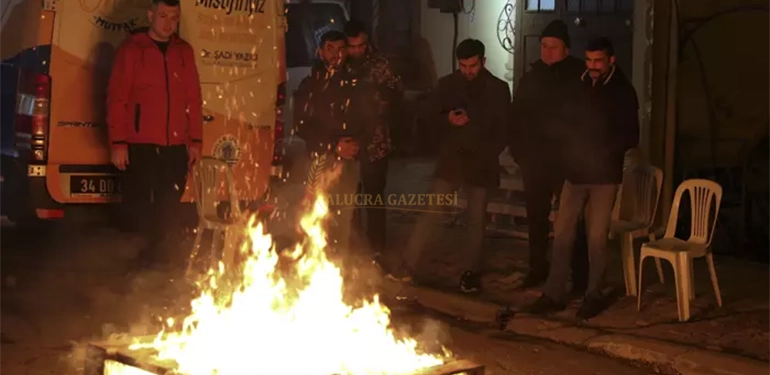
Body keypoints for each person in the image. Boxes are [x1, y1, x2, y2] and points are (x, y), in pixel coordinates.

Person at [530, 37, 640, 320]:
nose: (592, 66)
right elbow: (566, 121)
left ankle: (594, 293)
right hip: (575, 173)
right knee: (563, 233)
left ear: (611, 60)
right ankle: (554, 293)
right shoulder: (578, 84)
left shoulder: (623, 91)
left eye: (598, 61)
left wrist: (602, 149)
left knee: (596, 238)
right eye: (589, 60)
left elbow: (631, 135)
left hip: (604, 175)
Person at [404, 39, 509, 293]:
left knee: (475, 220)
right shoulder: (448, 85)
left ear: (483, 61)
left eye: (472, 65)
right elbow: (428, 115)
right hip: (452, 159)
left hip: (481, 162)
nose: (468, 71)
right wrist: (447, 119)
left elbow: (505, 127)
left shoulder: (497, 89)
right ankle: (409, 264)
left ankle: (470, 272)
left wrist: (487, 146)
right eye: (463, 65)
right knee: (431, 211)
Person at [107, 0, 202, 267]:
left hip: (174, 148)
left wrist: (195, 140)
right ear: (150, 15)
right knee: (140, 207)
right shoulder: (132, 50)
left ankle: (162, 268)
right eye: (162, 16)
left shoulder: (184, 52)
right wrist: (119, 142)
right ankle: (134, 266)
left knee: (169, 208)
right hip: (141, 145)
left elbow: (193, 99)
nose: (168, 23)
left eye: (174, 18)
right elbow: (117, 99)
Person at [508, 20, 589, 292]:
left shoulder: (580, 75)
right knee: (537, 218)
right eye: (544, 46)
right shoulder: (533, 76)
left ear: (566, 49)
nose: (548, 51)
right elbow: (516, 115)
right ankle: (537, 268)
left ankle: (579, 276)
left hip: (568, 163)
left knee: (572, 222)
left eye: (554, 47)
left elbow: (588, 117)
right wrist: (520, 153)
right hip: (536, 161)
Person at [293, 30, 381, 254]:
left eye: (341, 49)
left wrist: (357, 143)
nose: (336, 55)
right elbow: (301, 124)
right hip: (318, 159)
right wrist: (333, 145)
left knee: (343, 216)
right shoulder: (310, 84)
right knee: (312, 214)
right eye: (330, 49)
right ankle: (308, 263)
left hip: (347, 161)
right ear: (320, 51)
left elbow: (370, 119)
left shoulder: (358, 83)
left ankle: (337, 267)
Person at [343, 20, 403, 259]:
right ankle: (354, 249)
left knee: (374, 197)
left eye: (361, 45)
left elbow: (397, 91)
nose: (357, 50)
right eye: (352, 46)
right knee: (349, 197)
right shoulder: (341, 65)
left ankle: (377, 250)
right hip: (348, 143)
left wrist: (378, 99)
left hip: (376, 142)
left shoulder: (380, 63)